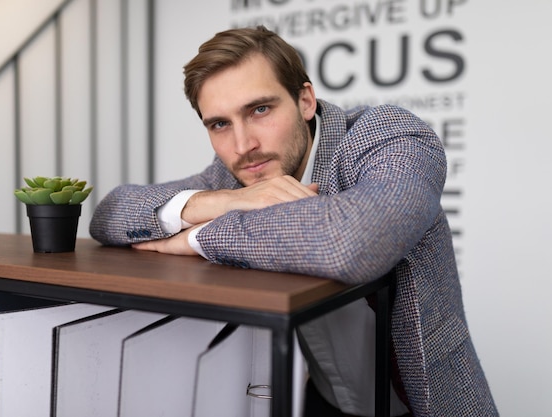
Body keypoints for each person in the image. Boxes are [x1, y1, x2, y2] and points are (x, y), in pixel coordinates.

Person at [90, 26, 498, 416]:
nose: (243, 145)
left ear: (305, 101)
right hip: (315, 398)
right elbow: (111, 212)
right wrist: (212, 202)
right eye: (219, 124)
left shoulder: (386, 137)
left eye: (260, 109)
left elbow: (351, 244)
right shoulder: (234, 174)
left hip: (420, 404)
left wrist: (203, 235)